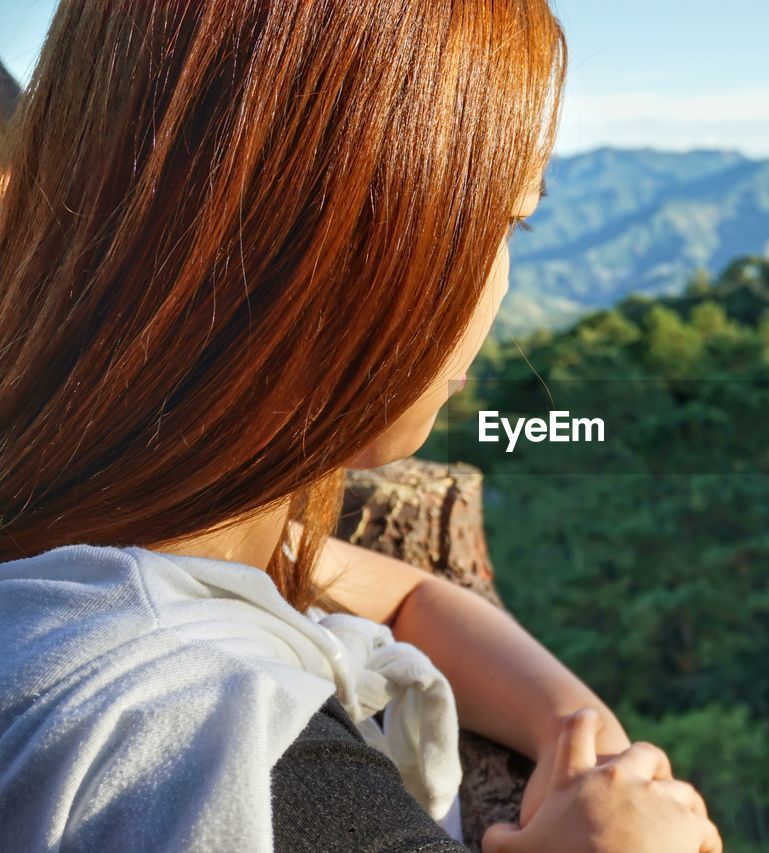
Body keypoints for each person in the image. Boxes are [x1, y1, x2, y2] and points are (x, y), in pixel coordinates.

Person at [0, 1, 723, 852]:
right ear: (338, 255)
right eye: (506, 220)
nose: (499, 285)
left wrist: (580, 731)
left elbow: (411, 595)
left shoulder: (97, 525)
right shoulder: (244, 773)